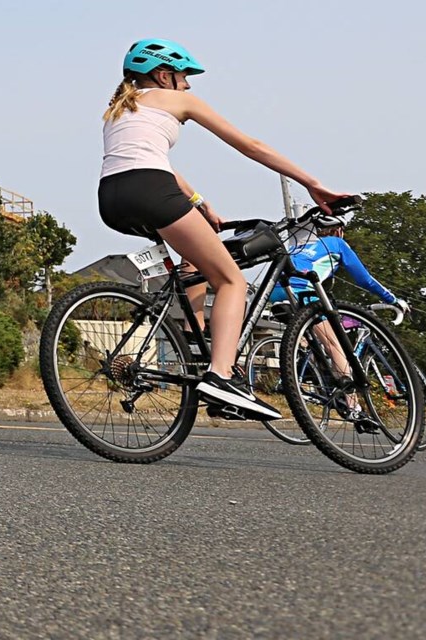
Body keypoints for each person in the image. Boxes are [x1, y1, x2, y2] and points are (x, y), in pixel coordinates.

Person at [98, 38, 348, 420]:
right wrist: (312, 183)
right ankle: (221, 376)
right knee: (232, 281)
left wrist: (198, 202)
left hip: (112, 197)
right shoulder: (178, 101)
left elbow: (149, 162)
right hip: (152, 190)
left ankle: (194, 340)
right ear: (164, 75)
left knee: (196, 259)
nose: (189, 86)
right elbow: (250, 144)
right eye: (183, 77)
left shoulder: (119, 110)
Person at [269, 216, 410, 420]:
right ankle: (353, 407)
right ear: (338, 231)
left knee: (313, 339)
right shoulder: (337, 244)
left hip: (277, 292)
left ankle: (302, 367)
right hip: (303, 291)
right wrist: (393, 299)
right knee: (336, 347)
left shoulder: (300, 246)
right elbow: (365, 279)